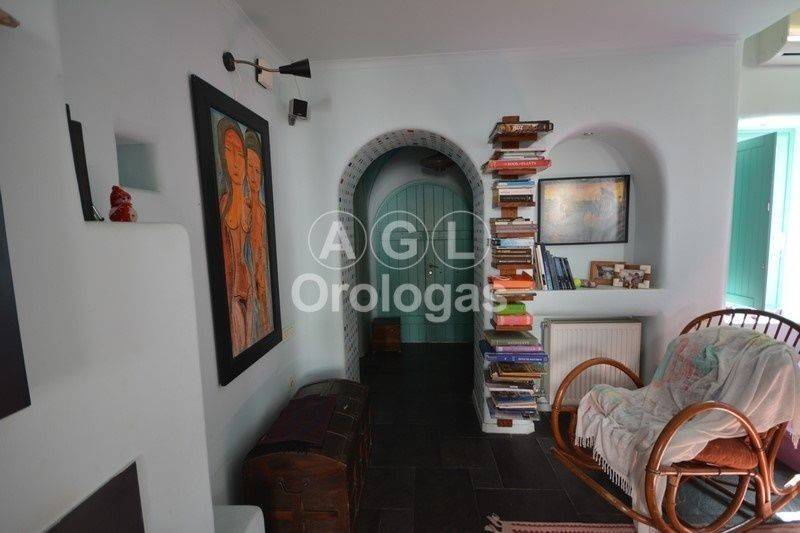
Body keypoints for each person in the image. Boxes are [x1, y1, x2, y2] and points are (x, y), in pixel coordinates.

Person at [216, 117, 252, 355]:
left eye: (240, 153)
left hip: (247, 281)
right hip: (231, 287)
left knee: (246, 340)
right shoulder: (222, 206)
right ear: (223, 157)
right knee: (239, 344)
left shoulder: (251, 208)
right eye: (229, 151)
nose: (236, 161)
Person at [244, 130, 271, 340]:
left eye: (257, 170)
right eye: (249, 168)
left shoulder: (262, 211)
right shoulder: (239, 208)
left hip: (260, 285)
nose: (254, 176)